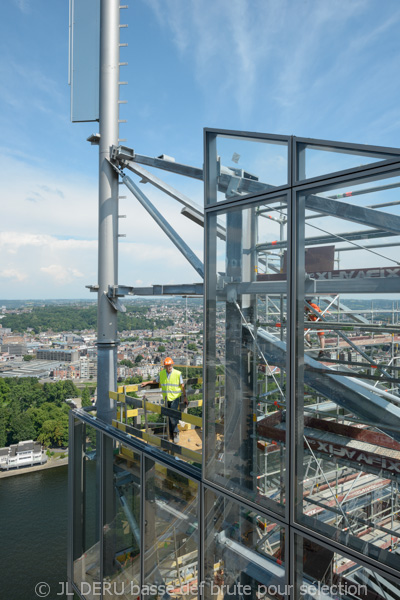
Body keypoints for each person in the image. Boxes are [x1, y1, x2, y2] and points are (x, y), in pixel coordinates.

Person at [141, 357, 188, 443]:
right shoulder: (162, 373)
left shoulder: (177, 373)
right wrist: (147, 382)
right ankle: (170, 433)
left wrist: (185, 397)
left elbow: (182, 386)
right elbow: (156, 381)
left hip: (174, 398)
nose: (169, 367)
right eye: (167, 366)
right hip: (166, 398)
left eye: (170, 365)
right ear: (165, 366)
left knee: (172, 416)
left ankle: (175, 433)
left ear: (172, 365)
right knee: (168, 416)